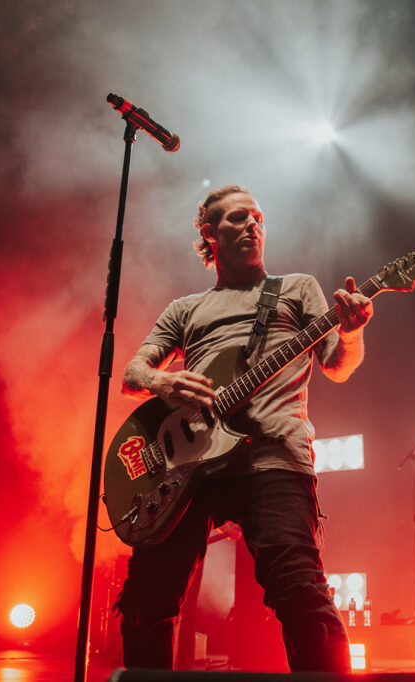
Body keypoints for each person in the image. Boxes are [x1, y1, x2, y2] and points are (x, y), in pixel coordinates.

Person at [113, 185, 373, 672]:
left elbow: (337, 363)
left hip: (271, 458)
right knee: (145, 602)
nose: (253, 225)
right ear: (210, 235)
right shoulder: (185, 310)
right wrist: (162, 381)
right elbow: (133, 374)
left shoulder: (297, 288)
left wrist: (354, 329)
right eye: (237, 219)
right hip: (187, 468)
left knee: (301, 594)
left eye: (258, 217)